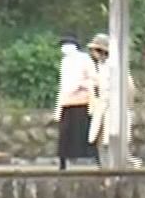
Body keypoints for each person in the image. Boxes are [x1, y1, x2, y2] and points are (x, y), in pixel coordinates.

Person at [87, 35, 140, 168]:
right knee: (101, 140)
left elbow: (129, 87)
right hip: (103, 107)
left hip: (114, 108)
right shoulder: (100, 66)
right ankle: (105, 167)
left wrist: (127, 107)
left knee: (113, 140)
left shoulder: (115, 66)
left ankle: (119, 166)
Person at [53, 32, 96, 170]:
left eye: (67, 45)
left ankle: (92, 158)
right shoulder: (64, 62)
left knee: (84, 130)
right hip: (66, 101)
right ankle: (63, 161)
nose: (64, 48)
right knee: (65, 133)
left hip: (82, 101)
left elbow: (94, 78)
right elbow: (63, 84)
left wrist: (81, 85)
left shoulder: (84, 59)